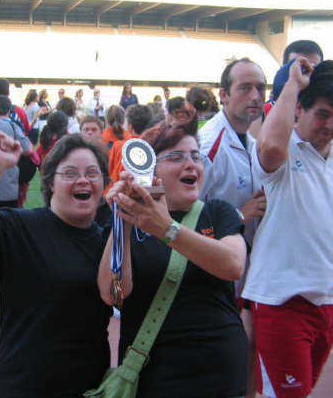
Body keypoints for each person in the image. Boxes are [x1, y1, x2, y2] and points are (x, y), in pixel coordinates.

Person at [242, 58, 333, 398]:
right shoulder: (283, 152)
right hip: (281, 302)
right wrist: (292, 85)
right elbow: (270, 147)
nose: (330, 125)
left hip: (327, 301)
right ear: (299, 109)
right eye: (322, 114)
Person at [0, 133, 112, 397]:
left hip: (92, 386)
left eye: (92, 173)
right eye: (70, 173)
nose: (83, 180)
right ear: (50, 183)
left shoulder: (108, 242)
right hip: (27, 384)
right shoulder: (21, 228)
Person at [98, 120, 247, 397]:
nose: (191, 164)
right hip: (156, 378)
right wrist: (123, 222)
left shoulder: (217, 212)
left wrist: (166, 229)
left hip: (221, 374)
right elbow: (114, 294)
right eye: (177, 157)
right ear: (150, 170)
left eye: (195, 156)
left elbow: (233, 264)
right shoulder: (129, 220)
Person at [197, 58, 267, 398]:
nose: (255, 95)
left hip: (250, 271)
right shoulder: (208, 144)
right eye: (245, 88)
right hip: (215, 274)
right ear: (223, 95)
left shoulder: (254, 143)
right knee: (225, 353)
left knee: (250, 345)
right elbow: (186, 216)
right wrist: (241, 215)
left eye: (260, 88)